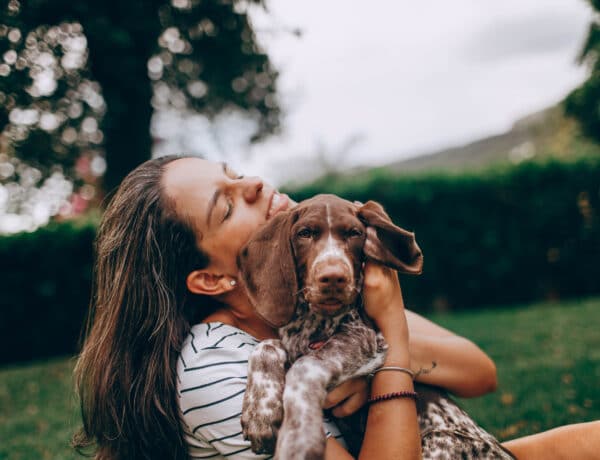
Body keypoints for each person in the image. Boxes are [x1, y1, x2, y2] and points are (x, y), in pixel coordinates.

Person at [73, 155, 599, 459]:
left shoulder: (324, 301)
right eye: (229, 202)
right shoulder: (214, 365)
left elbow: (479, 372)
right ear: (211, 277)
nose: (254, 182)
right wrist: (389, 326)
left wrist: (365, 365)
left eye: (234, 171)